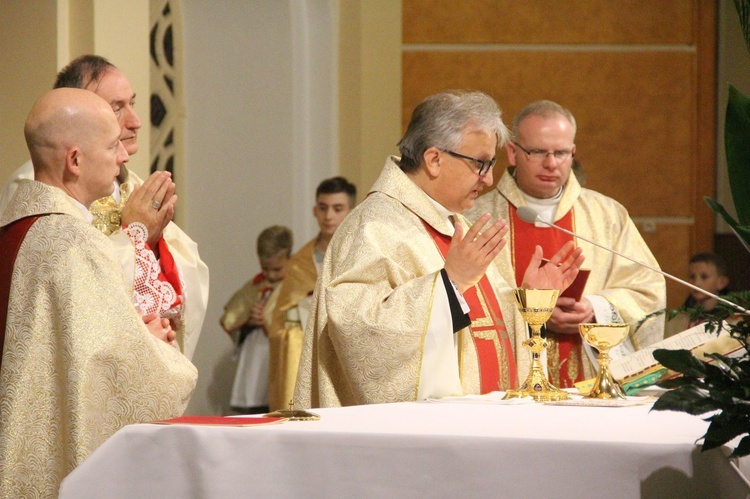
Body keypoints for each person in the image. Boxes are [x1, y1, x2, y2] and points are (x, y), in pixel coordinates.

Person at [294, 91, 584, 408]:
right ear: (434, 159)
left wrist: (527, 302)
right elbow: (358, 333)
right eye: (480, 164)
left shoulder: (454, 224)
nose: (488, 179)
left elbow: (487, 333)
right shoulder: (374, 227)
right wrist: (450, 283)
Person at [0, 88, 197, 497]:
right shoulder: (70, 240)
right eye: (112, 147)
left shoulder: (15, 227)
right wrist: (151, 344)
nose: (124, 158)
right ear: (74, 160)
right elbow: (111, 371)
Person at [0, 55, 209, 360]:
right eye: (116, 107)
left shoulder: (131, 185)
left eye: (132, 103)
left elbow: (188, 273)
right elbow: (66, 308)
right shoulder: (36, 193)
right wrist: (134, 235)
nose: (135, 121)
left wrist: (150, 243)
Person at [466, 100, 666, 388]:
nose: (551, 163)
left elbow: (648, 289)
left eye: (560, 153)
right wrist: (532, 312)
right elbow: (460, 296)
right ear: (512, 152)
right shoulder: (476, 217)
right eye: (537, 152)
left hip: (590, 381)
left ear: (572, 153)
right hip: (508, 385)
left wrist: (595, 309)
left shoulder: (607, 214)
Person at [267, 176, 356, 411]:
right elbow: (279, 319)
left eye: (338, 209)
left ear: (352, 211)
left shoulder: (361, 255)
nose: (329, 216)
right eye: (323, 208)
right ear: (314, 211)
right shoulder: (298, 264)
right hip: (306, 350)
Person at [221, 225, 293, 413]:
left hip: (280, 356)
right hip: (255, 357)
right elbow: (233, 318)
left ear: (289, 259)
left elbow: (301, 324)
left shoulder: (295, 286)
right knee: (254, 408)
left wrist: (270, 319)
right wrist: (250, 322)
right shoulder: (254, 286)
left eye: (277, 269)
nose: (270, 275)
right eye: (265, 268)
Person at [665, 252, 731, 337]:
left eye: (704, 277)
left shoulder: (733, 321)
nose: (696, 283)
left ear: (721, 282)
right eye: (692, 277)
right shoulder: (674, 320)